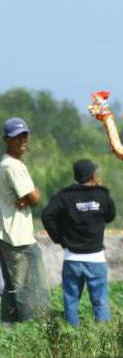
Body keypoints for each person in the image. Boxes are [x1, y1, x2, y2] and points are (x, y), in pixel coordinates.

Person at [41, 159, 115, 326]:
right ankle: (103, 337)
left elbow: (47, 215)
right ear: (92, 175)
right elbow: (110, 216)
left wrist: (59, 238)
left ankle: (71, 335)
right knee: (100, 301)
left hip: (72, 259)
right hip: (96, 259)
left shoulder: (65, 196)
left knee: (71, 301)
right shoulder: (102, 195)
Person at [0, 117, 50, 324]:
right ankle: (29, 329)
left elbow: (28, 197)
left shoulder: (7, 164)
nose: (22, 140)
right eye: (16, 137)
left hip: (9, 235)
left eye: (24, 135)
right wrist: (31, 195)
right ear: (6, 140)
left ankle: (8, 330)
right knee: (25, 289)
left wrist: (27, 197)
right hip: (17, 238)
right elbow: (35, 197)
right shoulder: (12, 166)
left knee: (13, 288)